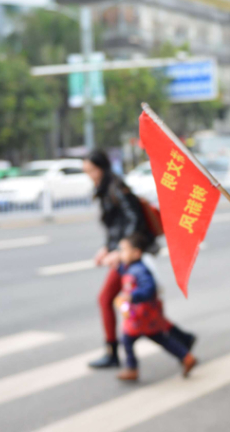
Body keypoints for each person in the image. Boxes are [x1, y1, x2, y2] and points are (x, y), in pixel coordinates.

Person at [83, 150, 195, 369]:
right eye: (86, 171)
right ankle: (183, 338)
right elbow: (116, 226)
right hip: (125, 251)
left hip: (130, 254)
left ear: (102, 168)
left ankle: (113, 352)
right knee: (142, 308)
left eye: (92, 170)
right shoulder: (105, 188)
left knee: (107, 299)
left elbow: (134, 220)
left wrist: (120, 251)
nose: (89, 175)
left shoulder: (117, 187)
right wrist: (107, 248)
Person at [114, 232, 197, 381]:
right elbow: (123, 270)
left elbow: (149, 288)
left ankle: (132, 369)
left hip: (140, 315)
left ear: (136, 253)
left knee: (127, 338)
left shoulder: (139, 270)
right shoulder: (131, 267)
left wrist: (132, 296)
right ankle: (186, 357)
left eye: (123, 250)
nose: (120, 253)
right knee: (160, 337)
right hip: (146, 316)